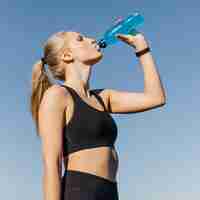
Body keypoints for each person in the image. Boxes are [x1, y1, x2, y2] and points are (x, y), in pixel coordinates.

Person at [29, 30, 166, 200]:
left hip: (110, 191)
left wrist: (142, 48)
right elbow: (52, 165)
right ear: (67, 55)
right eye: (80, 39)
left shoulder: (103, 97)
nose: (92, 39)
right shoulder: (57, 95)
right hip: (80, 191)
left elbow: (156, 98)